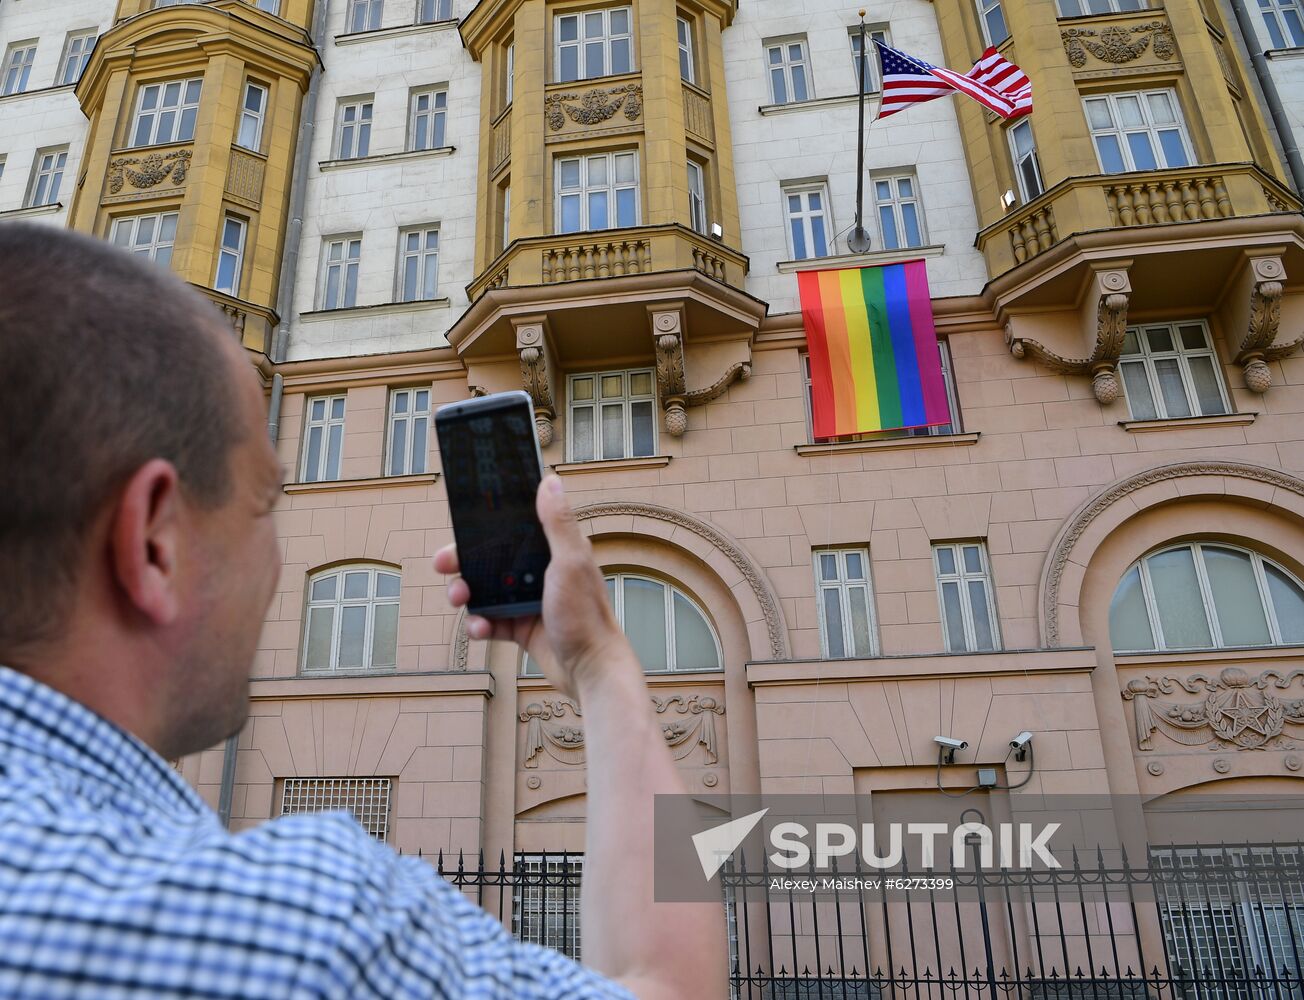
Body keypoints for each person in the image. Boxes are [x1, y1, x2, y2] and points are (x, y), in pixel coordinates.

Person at [0, 221, 726, 998]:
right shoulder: (299, 929)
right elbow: (667, 987)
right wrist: (603, 664)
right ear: (154, 544)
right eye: (264, 502)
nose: (277, 555)